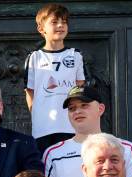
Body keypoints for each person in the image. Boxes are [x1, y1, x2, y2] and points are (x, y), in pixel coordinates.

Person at [25, 4, 85, 156]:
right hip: (43, 129)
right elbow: (30, 92)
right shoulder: (34, 58)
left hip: (70, 127)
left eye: (64, 22)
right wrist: (39, 114)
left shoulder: (75, 55)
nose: (60, 25)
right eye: (54, 22)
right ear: (41, 29)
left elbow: (80, 88)